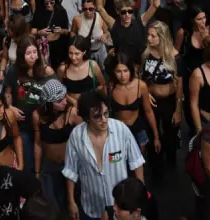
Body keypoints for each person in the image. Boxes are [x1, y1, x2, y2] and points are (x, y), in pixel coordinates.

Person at [63, 91, 145, 220]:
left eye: (106, 113)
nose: (104, 120)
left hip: (120, 210)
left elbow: (137, 162)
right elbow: (70, 170)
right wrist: (71, 202)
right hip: (91, 207)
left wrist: (140, 196)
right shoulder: (76, 136)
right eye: (97, 116)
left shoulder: (121, 129)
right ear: (87, 117)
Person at [4, 35, 55, 173]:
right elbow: (8, 92)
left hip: (41, 121)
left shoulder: (44, 70)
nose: (32, 57)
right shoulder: (13, 71)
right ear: (22, 55)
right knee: (27, 158)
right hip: (22, 123)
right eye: (28, 53)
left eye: (34, 52)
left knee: (44, 158)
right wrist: (10, 107)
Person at [33, 79, 81, 208]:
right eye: (59, 101)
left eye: (64, 98)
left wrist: (67, 97)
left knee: (76, 198)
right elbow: (37, 144)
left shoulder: (71, 113)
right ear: (49, 103)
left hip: (70, 164)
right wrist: (37, 172)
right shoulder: (38, 116)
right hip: (50, 166)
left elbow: (85, 134)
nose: (64, 102)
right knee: (53, 204)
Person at [141, 20, 182, 171]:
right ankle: (155, 164)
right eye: (148, 35)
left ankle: (171, 161)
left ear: (162, 37)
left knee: (170, 132)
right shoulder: (146, 54)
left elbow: (179, 84)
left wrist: (178, 110)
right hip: (151, 101)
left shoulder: (175, 57)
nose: (149, 38)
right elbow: (140, 76)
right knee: (152, 132)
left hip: (169, 101)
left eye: (153, 36)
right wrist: (145, 93)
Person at [106, 52, 160, 155]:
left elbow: (149, 112)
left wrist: (156, 137)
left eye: (125, 71)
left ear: (131, 70)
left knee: (139, 159)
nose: (123, 76)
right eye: (118, 71)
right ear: (113, 71)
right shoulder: (109, 88)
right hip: (118, 131)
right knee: (120, 159)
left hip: (138, 128)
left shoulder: (141, 85)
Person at [58, 36, 105, 105]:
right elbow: (59, 89)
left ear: (84, 52)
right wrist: (73, 101)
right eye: (70, 53)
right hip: (71, 105)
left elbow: (103, 84)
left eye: (77, 53)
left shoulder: (92, 65)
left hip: (90, 105)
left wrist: (92, 95)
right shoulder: (63, 69)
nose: (73, 57)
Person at [70, 0, 110, 66]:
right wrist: (75, 42)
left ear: (95, 7)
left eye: (91, 9)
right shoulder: (77, 19)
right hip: (85, 53)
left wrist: (105, 35)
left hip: (100, 50)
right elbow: (73, 32)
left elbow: (106, 31)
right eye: (85, 9)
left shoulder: (101, 17)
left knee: (104, 69)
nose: (88, 11)